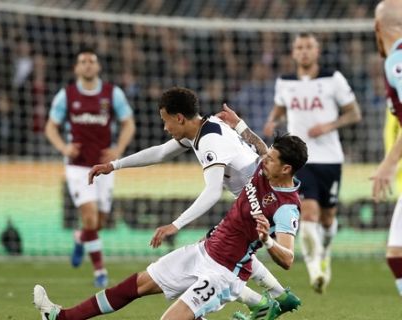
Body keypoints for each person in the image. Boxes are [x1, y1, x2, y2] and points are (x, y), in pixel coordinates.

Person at [33, 133, 308, 320]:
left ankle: (265, 303)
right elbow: (261, 148)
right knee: (136, 285)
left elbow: (288, 258)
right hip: (203, 252)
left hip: (224, 274)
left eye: (272, 159)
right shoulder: (266, 166)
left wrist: (268, 241)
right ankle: (62, 316)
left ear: (286, 169)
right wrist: (240, 127)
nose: (264, 159)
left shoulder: (286, 207)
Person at [89, 87, 300, 317]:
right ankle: (277, 296)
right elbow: (160, 153)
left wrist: (175, 225)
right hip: (247, 205)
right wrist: (114, 165)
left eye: (165, 120)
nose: (164, 127)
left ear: (179, 118)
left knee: (220, 258)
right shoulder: (201, 131)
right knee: (216, 250)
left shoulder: (210, 140)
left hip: (260, 205)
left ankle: (265, 301)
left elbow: (212, 191)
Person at [263, 32, 362, 293]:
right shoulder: (285, 81)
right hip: (300, 159)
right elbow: (280, 105)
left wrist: (330, 124)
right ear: (293, 53)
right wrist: (273, 119)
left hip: (330, 159)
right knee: (307, 213)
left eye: (309, 47)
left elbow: (354, 113)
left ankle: (325, 252)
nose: (304, 51)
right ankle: (315, 269)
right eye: (299, 47)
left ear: (317, 51)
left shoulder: (333, 79)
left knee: (328, 219)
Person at [45, 48, 135, 287]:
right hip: (77, 166)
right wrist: (64, 148)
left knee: (99, 222)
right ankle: (100, 272)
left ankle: (80, 237)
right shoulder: (66, 95)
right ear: (76, 68)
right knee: (89, 216)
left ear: (98, 67)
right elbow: (50, 127)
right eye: (82, 61)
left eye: (91, 61)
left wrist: (119, 149)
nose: (87, 65)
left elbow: (128, 124)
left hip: (105, 165)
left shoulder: (111, 94)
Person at [372, 0, 402, 298]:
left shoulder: (398, 60)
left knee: (397, 255)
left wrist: (389, 163)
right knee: (397, 255)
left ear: (377, 27)